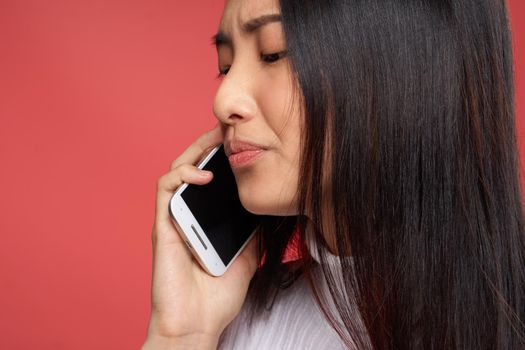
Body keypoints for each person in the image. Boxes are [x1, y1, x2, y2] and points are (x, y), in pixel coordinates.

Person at [142, 0, 525, 348]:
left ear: (405, 66)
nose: (223, 100)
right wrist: (179, 335)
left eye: (273, 53)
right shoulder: (240, 322)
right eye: (226, 67)